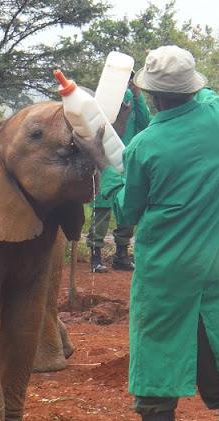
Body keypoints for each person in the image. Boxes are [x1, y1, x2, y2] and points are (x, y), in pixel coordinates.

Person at [74, 45, 219, 421]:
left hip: (164, 278)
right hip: (216, 272)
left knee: (154, 386)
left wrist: (105, 162)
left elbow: (127, 212)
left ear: (152, 96)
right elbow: (208, 96)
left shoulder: (144, 147)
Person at [87, 73, 152, 273]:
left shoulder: (132, 97)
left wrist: (138, 95)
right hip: (105, 157)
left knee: (127, 205)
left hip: (128, 159)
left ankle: (121, 256)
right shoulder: (105, 97)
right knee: (103, 205)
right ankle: (95, 256)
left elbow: (146, 122)